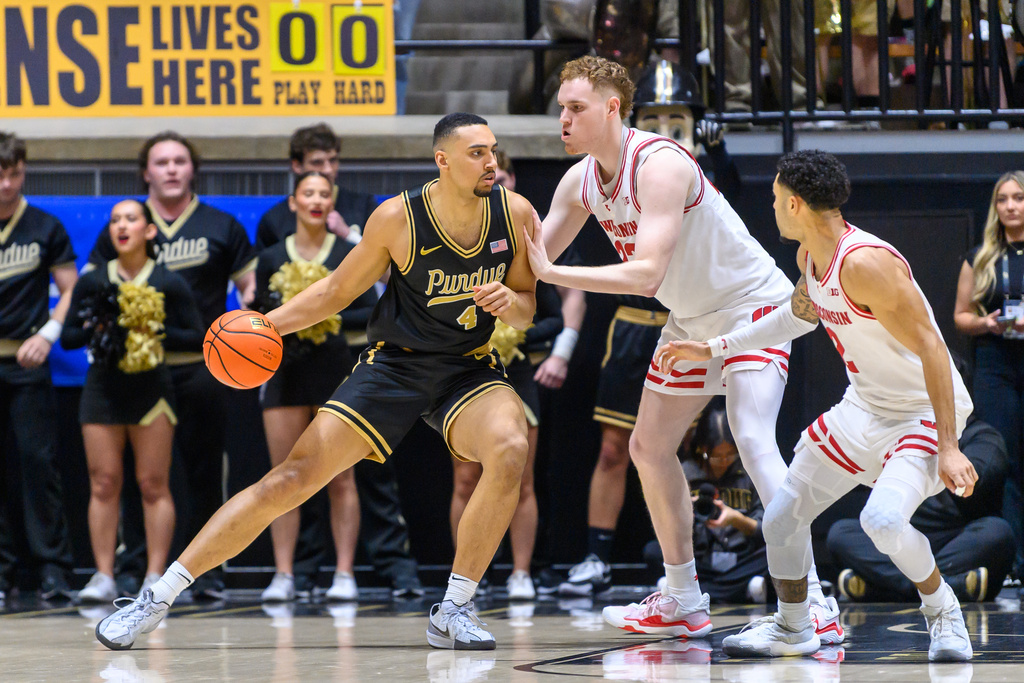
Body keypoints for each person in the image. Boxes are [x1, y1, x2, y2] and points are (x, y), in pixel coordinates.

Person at [95, 113, 539, 651]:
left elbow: (526, 309)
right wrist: (263, 325)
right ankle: (156, 599)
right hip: (395, 366)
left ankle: (456, 608)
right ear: (442, 161)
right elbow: (335, 292)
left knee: (511, 447)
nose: (491, 162)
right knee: (290, 479)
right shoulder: (397, 218)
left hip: (468, 367)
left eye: (493, 150)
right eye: (477, 153)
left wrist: (509, 302)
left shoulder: (515, 214)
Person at [524, 55, 839, 640]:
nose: (563, 120)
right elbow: (532, 259)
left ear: (612, 108)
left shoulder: (661, 164)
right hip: (690, 322)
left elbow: (644, 274)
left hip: (753, 309)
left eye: (576, 109)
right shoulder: (581, 180)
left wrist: (553, 273)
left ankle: (814, 600)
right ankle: (683, 595)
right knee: (646, 447)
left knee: (750, 435)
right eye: (561, 109)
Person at [657, 150, 978, 661]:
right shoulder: (811, 257)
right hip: (865, 407)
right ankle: (793, 626)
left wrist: (949, 445)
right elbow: (797, 316)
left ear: (795, 203)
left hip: (921, 413)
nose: (773, 208)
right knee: (780, 518)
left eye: (775, 199)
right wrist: (715, 348)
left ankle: (942, 611)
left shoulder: (866, 263)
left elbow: (935, 349)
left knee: (884, 522)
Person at [86, 131, 257, 599]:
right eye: (161, 162)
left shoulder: (222, 225)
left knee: (203, 471)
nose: (171, 169)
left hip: (202, 365)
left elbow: (251, 289)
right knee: (138, 478)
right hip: (135, 371)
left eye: (180, 161)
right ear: (146, 171)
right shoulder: (126, 222)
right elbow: (92, 287)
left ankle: (207, 572)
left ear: (192, 169)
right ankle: (136, 569)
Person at [258, 123, 424, 599]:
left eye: (330, 166)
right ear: (295, 181)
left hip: (350, 356)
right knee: (288, 473)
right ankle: (293, 572)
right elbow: (263, 301)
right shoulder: (272, 232)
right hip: (290, 362)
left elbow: (384, 279)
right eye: (312, 170)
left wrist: (347, 234)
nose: (322, 179)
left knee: (356, 472)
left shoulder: (364, 212)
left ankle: (370, 570)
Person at [62, 199, 203, 602]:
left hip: (152, 391)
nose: (122, 226)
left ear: (149, 230)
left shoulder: (167, 280)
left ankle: (155, 577)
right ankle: (103, 575)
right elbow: (70, 337)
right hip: (102, 391)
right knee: (103, 483)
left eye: (131, 219)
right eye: (115, 220)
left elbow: (195, 335)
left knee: (153, 483)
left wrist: (149, 327)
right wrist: (103, 327)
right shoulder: (93, 281)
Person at [256, 172, 379, 603]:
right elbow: (260, 313)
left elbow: (368, 307)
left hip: (334, 369)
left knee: (341, 476)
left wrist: (324, 315)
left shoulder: (349, 252)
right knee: (282, 477)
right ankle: (284, 574)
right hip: (285, 372)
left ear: (332, 203)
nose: (316, 199)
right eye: (308, 192)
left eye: (324, 194)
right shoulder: (271, 256)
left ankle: (344, 574)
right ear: (293, 202)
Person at [448, 151, 563, 601]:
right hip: (464, 375)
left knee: (521, 477)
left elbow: (551, 317)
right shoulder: (454, 239)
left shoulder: (524, 242)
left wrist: (516, 330)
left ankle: (520, 573)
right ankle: (468, 577)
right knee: (464, 480)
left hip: (516, 375)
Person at [0, 131, 77, 601]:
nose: (6, 184)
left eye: (14, 173)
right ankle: (4, 571)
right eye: (0, 174)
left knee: (38, 463)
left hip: (26, 362)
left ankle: (52, 568)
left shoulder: (44, 226)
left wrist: (48, 334)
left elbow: (70, 287)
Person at [829, 413, 1013, 603]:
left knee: (998, 532)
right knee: (840, 533)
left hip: (953, 538)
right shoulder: (898, 431)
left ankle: (885, 589)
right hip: (900, 535)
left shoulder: (980, 435)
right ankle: (949, 586)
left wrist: (949, 456)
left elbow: (980, 477)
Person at [953, 170, 1024, 584]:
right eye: (1003, 199)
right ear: (995, 208)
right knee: (1004, 463)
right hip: (996, 363)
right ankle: (1010, 563)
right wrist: (989, 324)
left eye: (1018, 198)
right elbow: (961, 317)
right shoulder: (980, 256)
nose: (1011, 206)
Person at [645, 399, 769, 604]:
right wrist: (684, 515)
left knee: (774, 553)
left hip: (742, 558)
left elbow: (767, 531)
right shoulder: (685, 473)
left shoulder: (750, 473)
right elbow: (664, 529)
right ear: (703, 448)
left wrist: (738, 520)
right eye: (716, 457)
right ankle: (740, 589)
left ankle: (697, 591)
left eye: (730, 455)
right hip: (700, 561)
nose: (724, 462)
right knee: (653, 551)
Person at [256, 123, 379, 251]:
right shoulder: (274, 220)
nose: (328, 170)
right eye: (317, 162)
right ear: (297, 166)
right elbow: (263, 268)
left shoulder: (364, 207)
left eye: (332, 160)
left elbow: (385, 263)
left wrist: (348, 235)